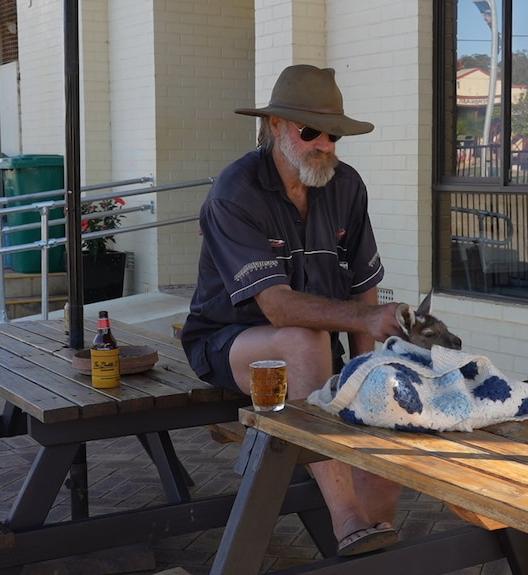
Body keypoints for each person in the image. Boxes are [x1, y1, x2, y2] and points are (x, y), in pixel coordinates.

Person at [181, 64, 405, 556]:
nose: (325, 144)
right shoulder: (234, 192)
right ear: (276, 126)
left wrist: (364, 376)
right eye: (310, 132)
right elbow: (280, 309)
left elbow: (364, 287)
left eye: (333, 134)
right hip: (228, 342)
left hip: (317, 352)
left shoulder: (347, 186)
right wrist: (367, 321)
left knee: (382, 411)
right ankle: (345, 518)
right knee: (303, 339)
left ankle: (371, 544)